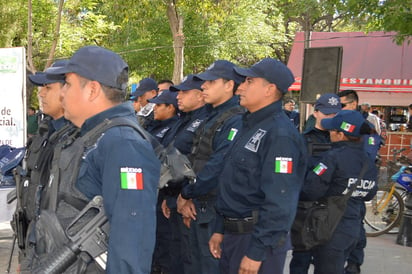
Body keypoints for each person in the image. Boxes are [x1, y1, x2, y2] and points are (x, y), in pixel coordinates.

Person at [36, 46, 160, 273]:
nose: (62, 93)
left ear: (92, 90)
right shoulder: (91, 136)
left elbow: (131, 238)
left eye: (68, 84)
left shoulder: (123, 144)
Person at [208, 58, 307, 274]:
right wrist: (220, 228)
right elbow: (233, 184)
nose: (240, 87)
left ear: (269, 89)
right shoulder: (248, 125)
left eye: (249, 81)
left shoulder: (280, 135)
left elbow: (280, 201)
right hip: (233, 235)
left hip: (256, 240)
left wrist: (257, 252)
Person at [177, 60, 245, 274]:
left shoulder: (236, 119)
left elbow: (218, 165)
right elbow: (196, 158)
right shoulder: (211, 116)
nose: (204, 86)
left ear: (229, 85)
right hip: (199, 204)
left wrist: (187, 193)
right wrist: (187, 195)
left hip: (215, 209)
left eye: (211, 82)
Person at [300, 110, 378, 274]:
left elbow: (311, 190)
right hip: (354, 228)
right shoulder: (368, 162)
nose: (329, 133)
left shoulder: (332, 157)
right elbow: (370, 194)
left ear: (341, 135)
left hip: (331, 228)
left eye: (332, 130)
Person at [16, 60, 76, 269]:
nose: (41, 93)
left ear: (68, 89)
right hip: (34, 235)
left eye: (47, 87)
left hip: (58, 242)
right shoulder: (45, 131)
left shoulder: (77, 136)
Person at [161, 74, 210, 274]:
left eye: (184, 92)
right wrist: (169, 196)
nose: (178, 96)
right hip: (175, 196)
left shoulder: (204, 121)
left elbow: (199, 165)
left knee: (191, 261)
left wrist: (186, 196)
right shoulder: (185, 121)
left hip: (192, 202)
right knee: (177, 256)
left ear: (200, 95)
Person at [289, 93, 342, 274]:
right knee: (301, 260)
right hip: (306, 210)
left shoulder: (342, 140)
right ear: (316, 112)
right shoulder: (303, 140)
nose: (331, 118)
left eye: (335, 114)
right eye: (327, 114)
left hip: (332, 210)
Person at [146, 89, 180, 274]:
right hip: (153, 192)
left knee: (166, 244)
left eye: (159, 105)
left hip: (165, 190)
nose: (154, 109)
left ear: (170, 107)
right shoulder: (154, 126)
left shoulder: (173, 128)